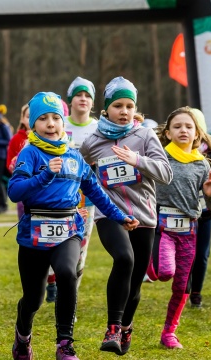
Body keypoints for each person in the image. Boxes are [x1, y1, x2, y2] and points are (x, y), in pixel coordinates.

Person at [8, 91, 139, 360]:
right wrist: (45, 175)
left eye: (55, 117)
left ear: (62, 122)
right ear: (33, 125)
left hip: (68, 229)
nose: (50, 123)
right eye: (43, 118)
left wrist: (119, 216)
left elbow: (97, 192)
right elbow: (15, 191)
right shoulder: (29, 153)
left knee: (68, 274)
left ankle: (64, 344)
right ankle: (22, 337)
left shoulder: (74, 156)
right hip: (34, 232)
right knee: (33, 298)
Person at [79, 77, 172, 355]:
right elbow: (79, 173)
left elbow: (166, 174)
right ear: (106, 109)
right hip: (110, 214)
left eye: (129, 106)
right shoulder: (92, 141)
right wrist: (78, 200)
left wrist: (137, 161)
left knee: (135, 282)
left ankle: (126, 327)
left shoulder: (145, 136)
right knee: (124, 258)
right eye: (118, 105)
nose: (124, 111)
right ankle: (113, 328)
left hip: (144, 216)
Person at [146, 106, 211, 349]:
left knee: (181, 286)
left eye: (189, 126)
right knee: (165, 272)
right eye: (177, 126)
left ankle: (169, 333)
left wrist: (209, 195)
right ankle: (148, 260)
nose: (183, 130)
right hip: (163, 227)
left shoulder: (203, 165)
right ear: (167, 133)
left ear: (197, 134)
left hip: (189, 231)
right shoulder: (159, 157)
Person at [44, 77, 100, 304]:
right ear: (71, 100)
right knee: (52, 245)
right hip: (55, 198)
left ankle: (70, 300)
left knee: (79, 250)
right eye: (79, 95)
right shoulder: (58, 123)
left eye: (88, 95)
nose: (83, 99)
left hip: (85, 200)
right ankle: (50, 281)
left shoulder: (99, 128)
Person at [186, 108, 211, 308]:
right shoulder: (175, 151)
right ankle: (183, 290)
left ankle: (196, 293)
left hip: (205, 212)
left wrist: (204, 167)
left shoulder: (210, 152)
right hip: (182, 212)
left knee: (201, 255)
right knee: (185, 254)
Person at [7, 104, 29, 218]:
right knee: (23, 219)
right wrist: (14, 165)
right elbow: (9, 163)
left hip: (40, 186)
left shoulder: (48, 138)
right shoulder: (16, 139)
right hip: (22, 185)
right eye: (28, 116)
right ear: (22, 119)